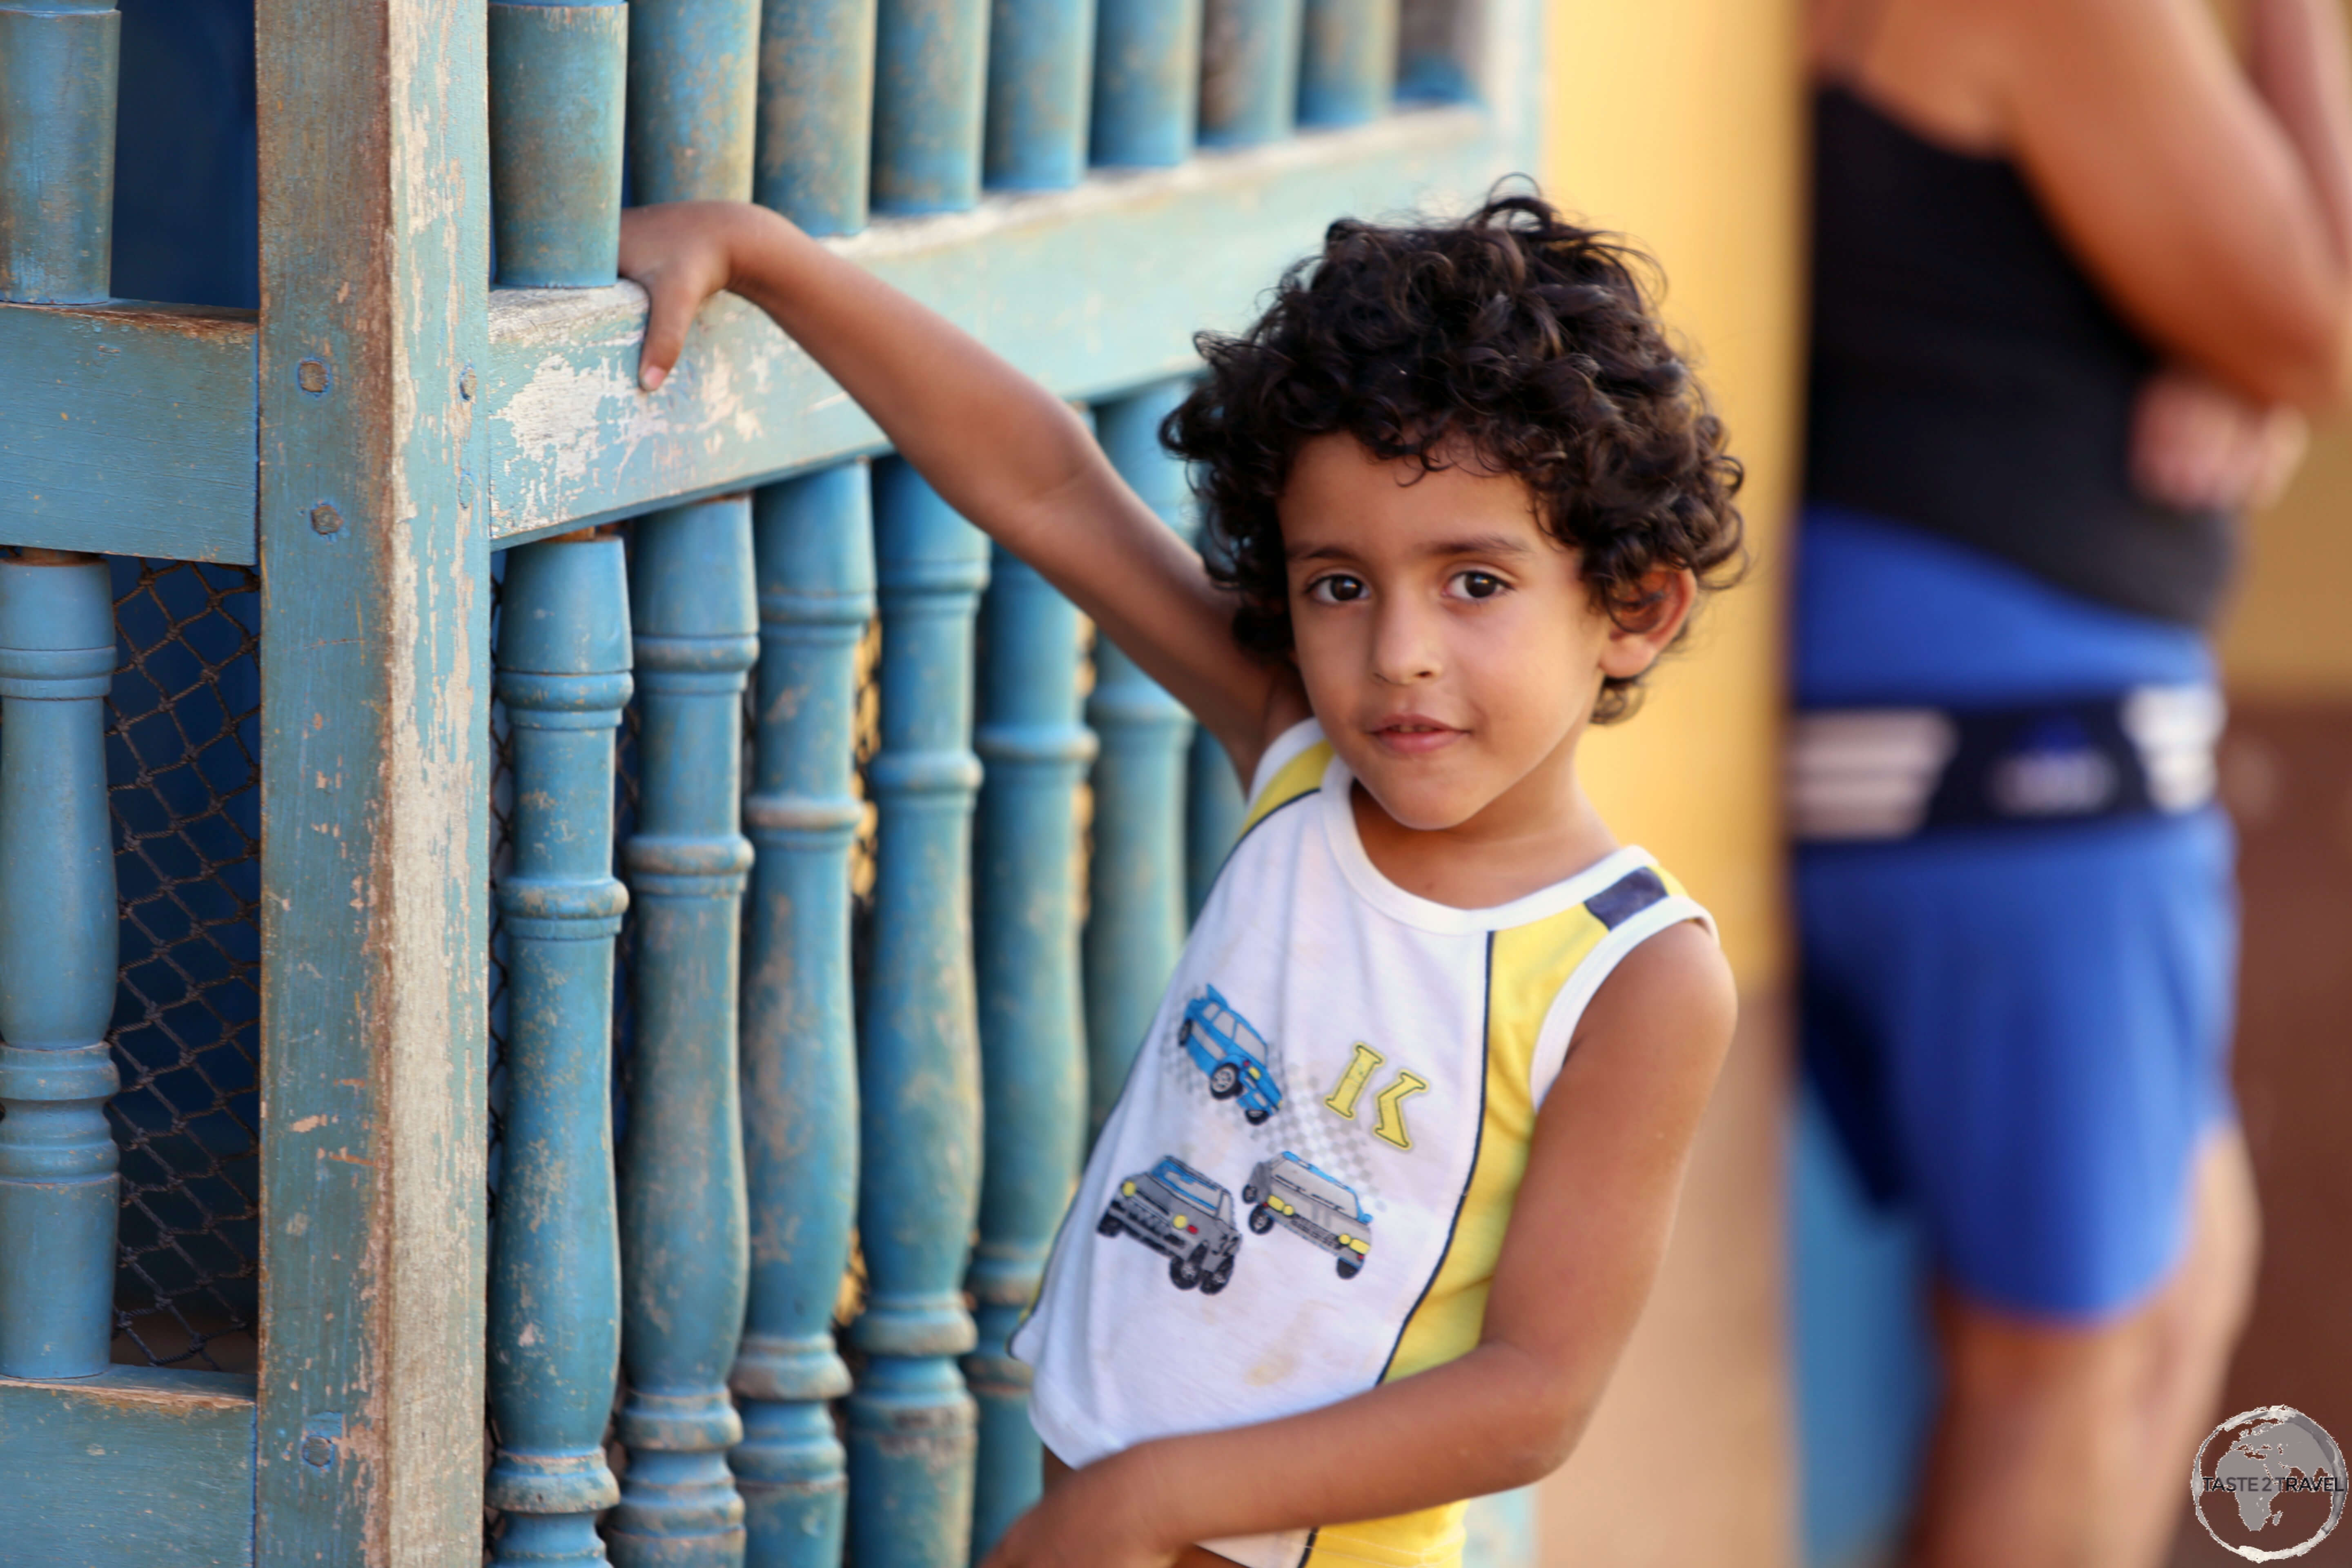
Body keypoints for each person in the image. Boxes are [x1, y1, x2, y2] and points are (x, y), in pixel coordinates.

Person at [617, 191, 1743, 1568]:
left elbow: (1533, 1400)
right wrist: (768, 255)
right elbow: (1043, 483)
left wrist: (1147, 1501)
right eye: (1341, 585)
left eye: (1474, 583)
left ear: (1632, 607)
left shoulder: (1632, 974)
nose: (1398, 654)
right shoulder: (1300, 764)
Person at [1795, 0, 2352, 1562]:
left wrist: (2243, 353)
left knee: (2177, 1286)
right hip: (2014, 759)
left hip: (2000, 750)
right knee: (2055, 1361)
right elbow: (2320, 323)